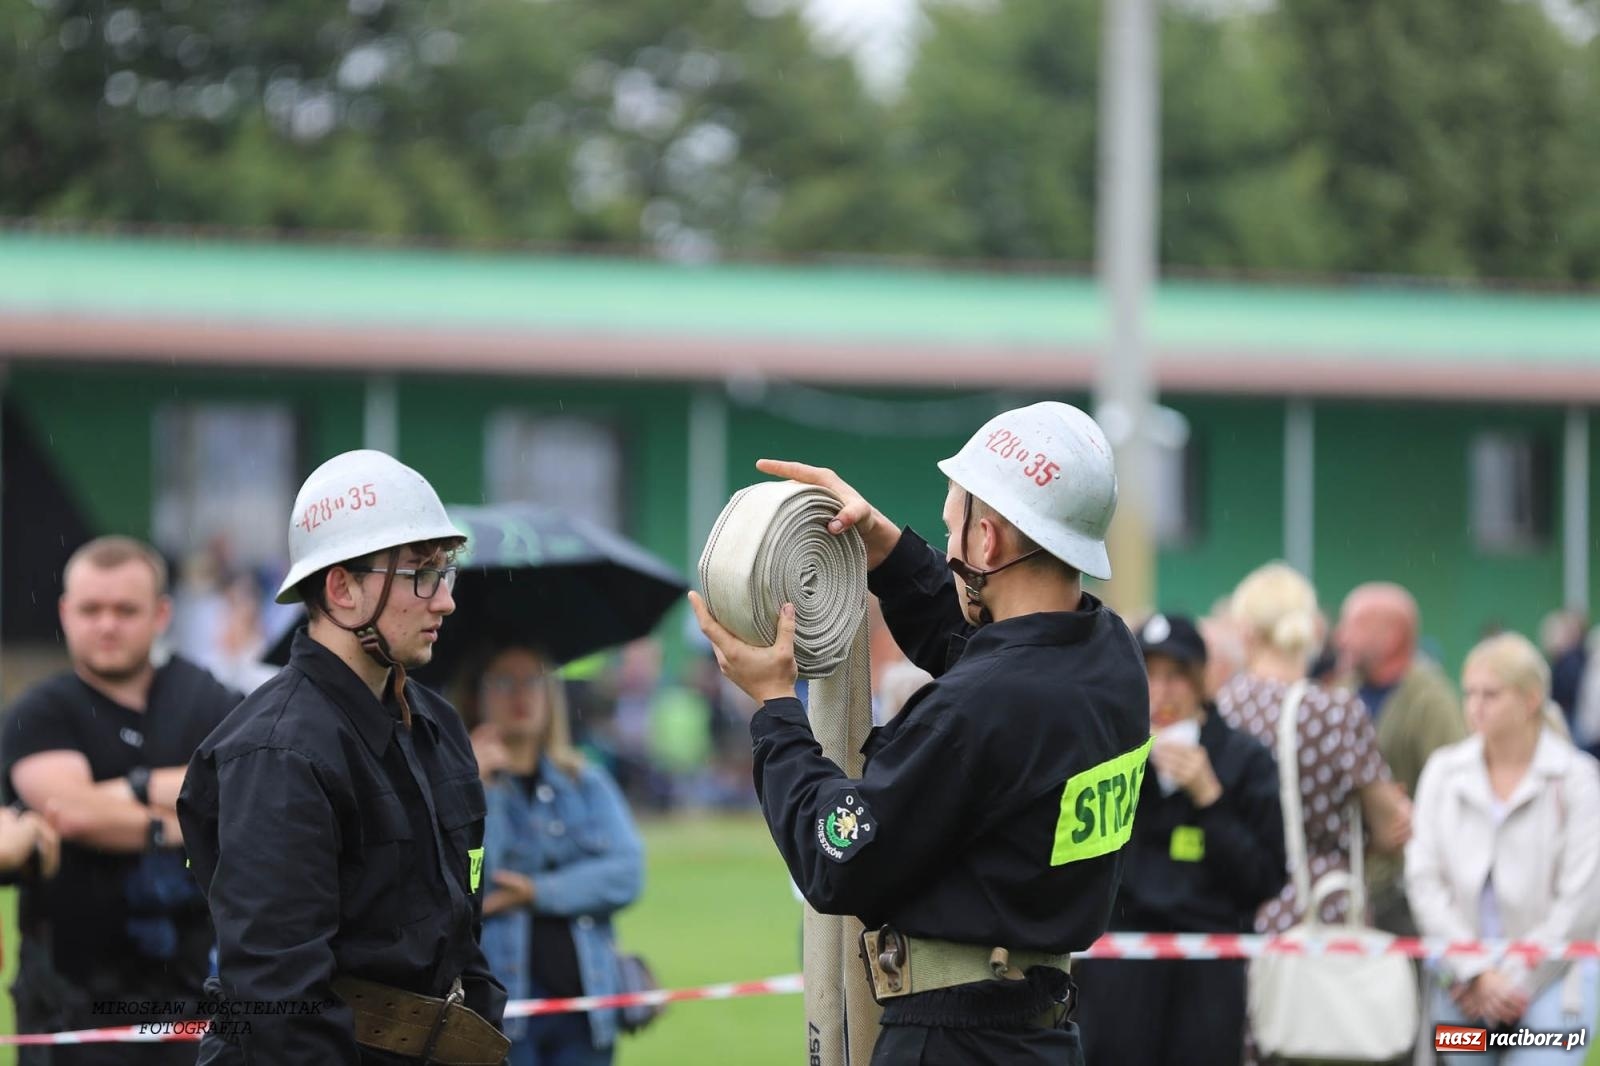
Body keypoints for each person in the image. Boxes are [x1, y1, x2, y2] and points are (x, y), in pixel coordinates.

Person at [690, 401, 1150, 1065]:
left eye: (953, 527)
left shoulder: (979, 708)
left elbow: (835, 856)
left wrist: (773, 706)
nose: (950, 543)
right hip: (1042, 1035)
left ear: (986, 540)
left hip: (953, 1043)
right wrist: (888, 551)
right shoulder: (1110, 658)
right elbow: (990, 648)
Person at [177, 450, 508, 1064]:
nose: (444, 602)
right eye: (419, 574)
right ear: (342, 588)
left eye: (445, 573)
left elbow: (459, 935)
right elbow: (279, 1005)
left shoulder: (439, 726)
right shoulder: (276, 754)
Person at [0, 535, 241, 1066]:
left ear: (160, 614)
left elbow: (251, 786)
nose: (106, 625)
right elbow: (72, 814)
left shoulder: (204, 698)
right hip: (70, 1007)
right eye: (91, 609)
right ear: (65, 613)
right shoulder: (41, 712)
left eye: (125, 610)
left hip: (195, 1000)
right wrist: (186, 816)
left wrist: (130, 792)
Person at [1076, 613, 1285, 1066]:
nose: (1162, 692)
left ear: (1201, 680)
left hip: (1208, 971)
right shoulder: (1111, 755)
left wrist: (1211, 799)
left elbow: (1264, 878)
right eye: (1149, 675)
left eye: (1177, 676)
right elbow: (1079, 857)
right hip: (1119, 969)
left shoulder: (1244, 759)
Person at [1407, 633, 1600, 1064]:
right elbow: (1424, 881)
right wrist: (1475, 972)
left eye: (1490, 694)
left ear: (1531, 699)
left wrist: (1513, 982)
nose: (1475, 705)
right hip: (1462, 989)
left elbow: (1583, 900)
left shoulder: (1577, 778)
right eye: (1469, 692)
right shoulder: (1443, 771)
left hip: (1555, 987)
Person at [464, 644, 645, 1066]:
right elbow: (475, 882)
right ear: (478, 696)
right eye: (504, 682)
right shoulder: (460, 786)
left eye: (534, 681)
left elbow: (626, 874)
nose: (520, 695)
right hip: (501, 1014)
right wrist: (478, 789)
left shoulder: (586, 781)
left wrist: (535, 891)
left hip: (587, 1008)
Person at [1334, 581, 1466, 934]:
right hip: (1348, 882)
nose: (1341, 637)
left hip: (1402, 889)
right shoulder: (1341, 693)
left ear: (1392, 636)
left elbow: (1455, 788)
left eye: (1353, 626)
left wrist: (1413, 819)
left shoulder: (1430, 701)